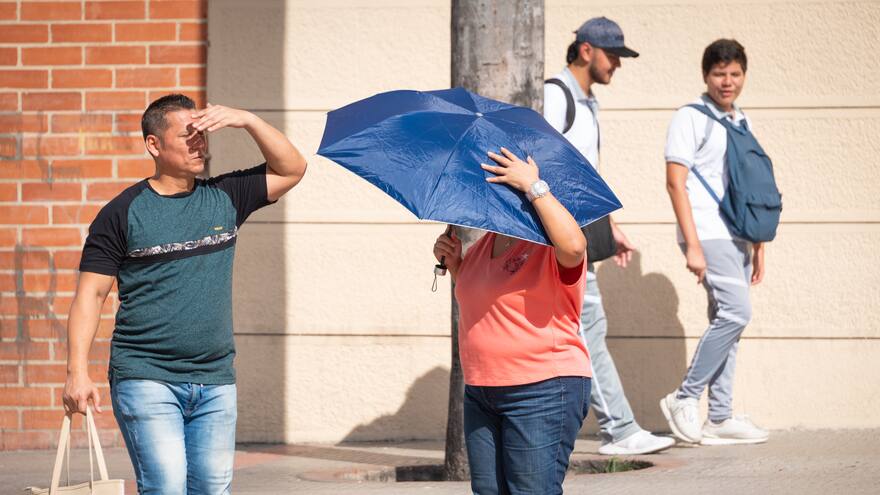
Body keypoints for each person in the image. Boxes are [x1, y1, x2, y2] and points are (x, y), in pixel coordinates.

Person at [62, 94, 308, 493]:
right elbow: (90, 296)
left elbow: (293, 168)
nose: (200, 144)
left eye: (202, 134)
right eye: (188, 135)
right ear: (153, 145)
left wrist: (246, 118)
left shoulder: (225, 197)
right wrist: (77, 371)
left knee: (211, 489)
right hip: (146, 376)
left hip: (215, 379)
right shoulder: (121, 213)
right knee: (166, 486)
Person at [543, 16, 674, 456]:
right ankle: (619, 429)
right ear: (585, 50)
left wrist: (609, 226)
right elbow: (539, 166)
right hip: (562, 236)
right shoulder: (555, 96)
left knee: (583, 329)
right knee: (586, 329)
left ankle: (613, 427)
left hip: (583, 230)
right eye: (612, 54)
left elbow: (584, 174)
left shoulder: (586, 101)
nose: (617, 63)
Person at [433, 148, 590, 494]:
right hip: (483, 391)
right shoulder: (485, 242)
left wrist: (534, 186)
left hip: (542, 388)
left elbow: (576, 248)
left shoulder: (548, 243)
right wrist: (457, 264)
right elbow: (490, 302)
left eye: (504, 179)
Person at [661, 39, 769, 445]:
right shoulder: (690, 117)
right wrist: (692, 245)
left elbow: (753, 186)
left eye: (735, 73)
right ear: (706, 75)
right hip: (707, 232)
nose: (728, 81)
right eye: (719, 73)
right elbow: (676, 182)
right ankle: (683, 398)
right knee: (736, 314)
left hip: (739, 234)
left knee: (727, 324)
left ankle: (719, 416)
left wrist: (759, 244)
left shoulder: (742, 120)